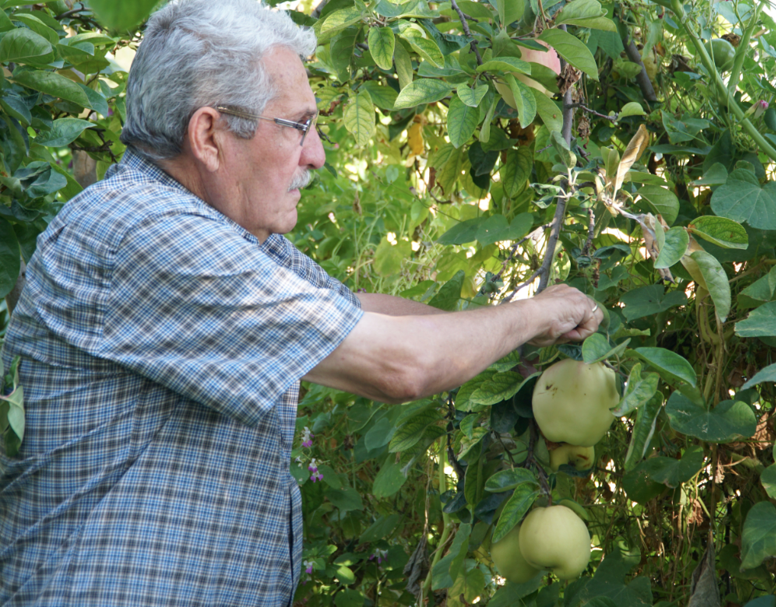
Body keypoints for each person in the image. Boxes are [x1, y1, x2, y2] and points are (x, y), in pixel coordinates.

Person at [0, 0, 603, 604]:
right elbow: (402, 364)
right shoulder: (146, 231)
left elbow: (350, 312)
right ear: (209, 135)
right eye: (297, 126)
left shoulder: (215, 225)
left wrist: (522, 335)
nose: (315, 154)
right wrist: (533, 313)